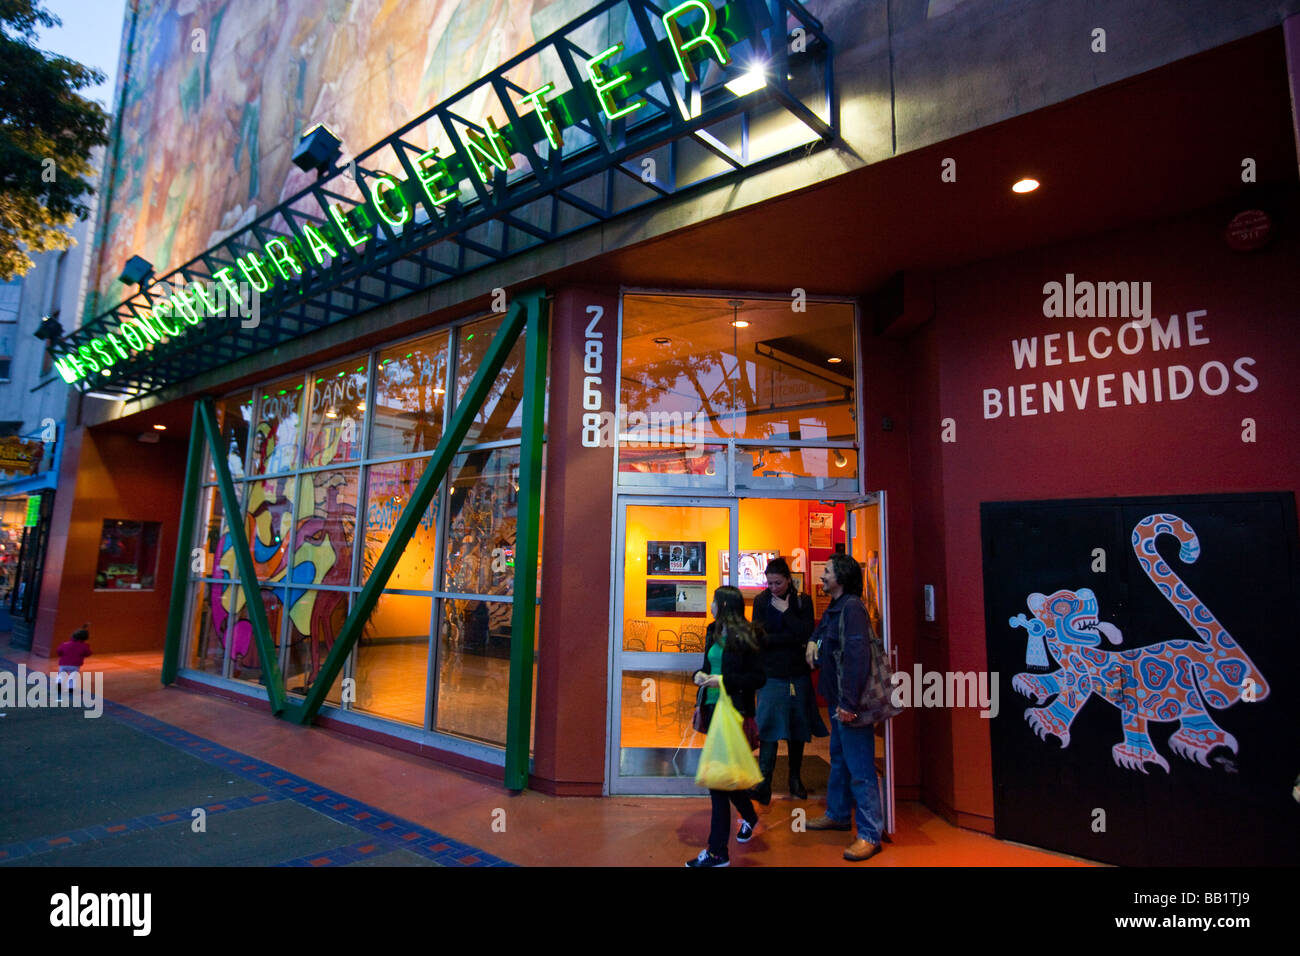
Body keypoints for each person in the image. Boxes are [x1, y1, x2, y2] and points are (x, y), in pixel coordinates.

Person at [804, 554, 885, 862]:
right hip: (839, 700)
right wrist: (813, 641)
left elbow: (857, 657)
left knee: (860, 768)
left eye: (826, 571)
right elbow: (821, 632)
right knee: (839, 759)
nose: (821, 576)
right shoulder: (836, 607)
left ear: (841, 577)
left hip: (851, 703)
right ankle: (838, 813)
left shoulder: (851, 608)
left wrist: (849, 704)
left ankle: (869, 834)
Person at [686, 586, 766, 868]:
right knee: (723, 777)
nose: (710, 605)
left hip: (734, 713)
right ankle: (750, 816)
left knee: (718, 781)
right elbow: (706, 664)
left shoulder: (748, 633)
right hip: (712, 709)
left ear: (723, 604)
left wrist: (722, 682)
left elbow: (757, 678)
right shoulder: (712, 630)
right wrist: (699, 677)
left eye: (714, 601)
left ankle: (718, 852)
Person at [750, 557, 826, 804]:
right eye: (769, 583)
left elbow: (807, 633)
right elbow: (760, 637)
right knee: (769, 729)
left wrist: (786, 614)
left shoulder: (802, 601)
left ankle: (795, 777)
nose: (773, 588)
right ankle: (765, 781)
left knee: (797, 728)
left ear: (788, 579)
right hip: (771, 673)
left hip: (797, 673)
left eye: (778, 583)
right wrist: (791, 637)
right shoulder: (762, 601)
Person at [56, 626, 93, 697]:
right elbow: (88, 653)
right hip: (75, 665)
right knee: (73, 676)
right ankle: (70, 688)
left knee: (61, 675)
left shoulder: (65, 644)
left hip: (63, 663)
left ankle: (59, 685)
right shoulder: (84, 646)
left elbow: (59, 651)